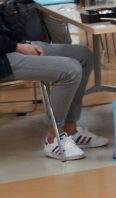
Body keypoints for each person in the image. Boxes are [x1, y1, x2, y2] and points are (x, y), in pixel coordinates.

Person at [0, 16, 108, 160]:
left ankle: (70, 129)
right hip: (4, 59)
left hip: (11, 46)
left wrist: (22, 43)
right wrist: (18, 47)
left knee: (84, 56)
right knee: (70, 70)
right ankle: (54, 138)